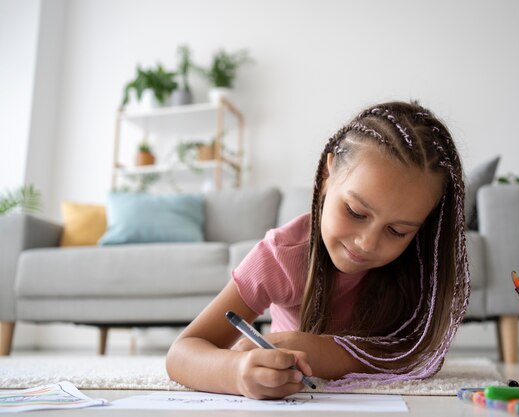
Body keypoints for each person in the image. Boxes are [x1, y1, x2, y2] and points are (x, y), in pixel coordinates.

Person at [166, 100, 470, 399]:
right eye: (355, 212)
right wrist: (236, 371)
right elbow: (182, 354)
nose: (366, 243)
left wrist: (318, 350)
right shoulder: (282, 255)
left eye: (397, 231)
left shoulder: (419, 262)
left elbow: (419, 355)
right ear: (327, 175)